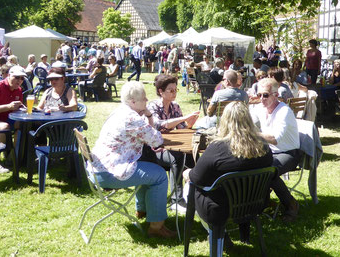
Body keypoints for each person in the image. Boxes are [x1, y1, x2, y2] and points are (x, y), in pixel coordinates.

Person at [88, 81, 175, 238]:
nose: (147, 100)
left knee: (147, 168)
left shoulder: (120, 112)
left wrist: (148, 115)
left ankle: (142, 210)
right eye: (143, 98)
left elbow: (148, 134)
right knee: (160, 175)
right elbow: (156, 140)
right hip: (109, 173)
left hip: (97, 169)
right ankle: (156, 227)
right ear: (133, 102)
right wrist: (149, 117)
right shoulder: (131, 118)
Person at [183, 102, 273, 246]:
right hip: (255, 204)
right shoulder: (263, 146)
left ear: (224, 121)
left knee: (188, 187)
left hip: (221, 210)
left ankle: (220, 235)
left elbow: (196, 178)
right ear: (249, 120)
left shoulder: (217, 148)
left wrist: (186, 173)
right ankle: (240, 235)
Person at [146, 74, 200, 211]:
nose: (174, 93)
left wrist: (188, 124)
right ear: (161, 91)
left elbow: (181, 129)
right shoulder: (152, 106)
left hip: (171, 147)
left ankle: (192, 193)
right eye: (171, 90)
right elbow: (159, 125)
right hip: (154, 151)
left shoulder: (175, 106)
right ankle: (176, 199)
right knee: (177, 157)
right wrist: (183, 119)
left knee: (191, 155)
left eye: (176, 90)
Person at [249, 78, 300, 222]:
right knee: (248, 165)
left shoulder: (284, 111)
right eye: (259, 95)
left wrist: (250, 133)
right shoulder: (259, 108)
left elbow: (275, 138)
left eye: (265, 95)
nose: (261, 99)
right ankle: (262, 203)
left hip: (289, 153)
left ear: (276, 95)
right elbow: (247, 123)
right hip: (269, 152)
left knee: (268, 172)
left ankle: (291, 204)